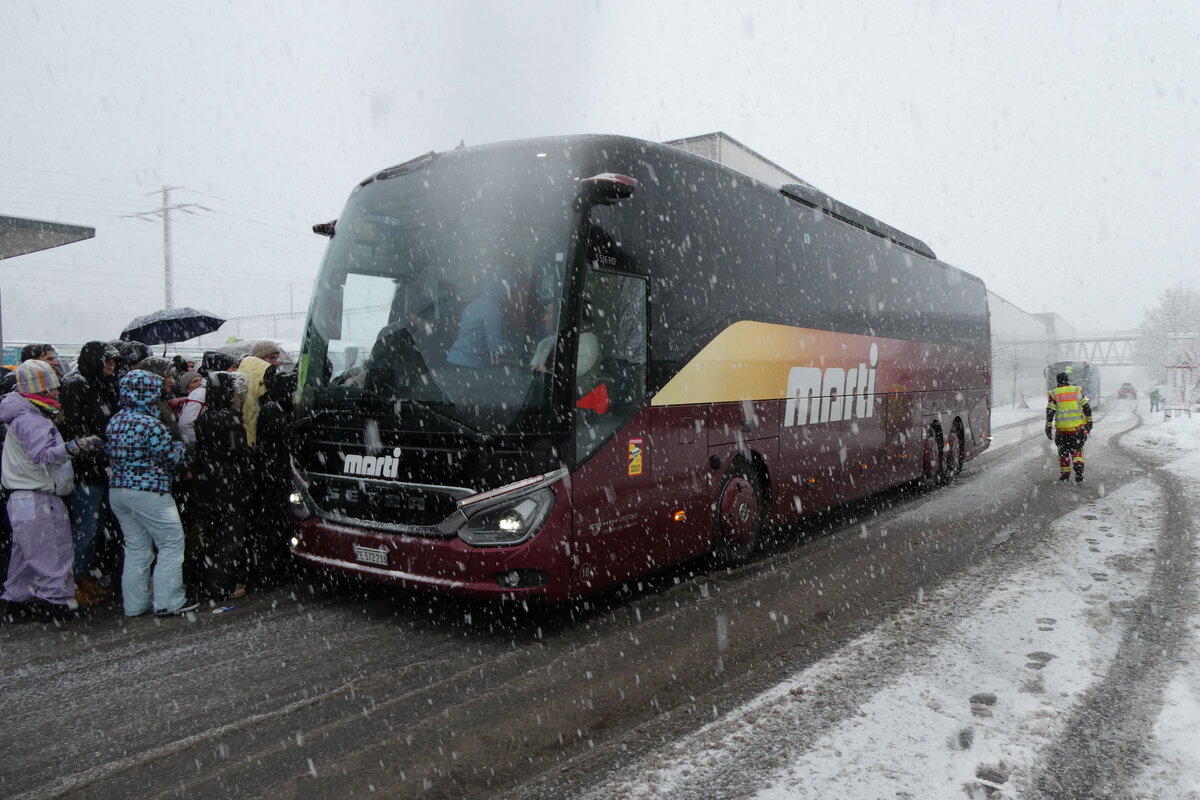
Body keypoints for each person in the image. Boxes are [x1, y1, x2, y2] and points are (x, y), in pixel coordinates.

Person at [1, 360, 102, 621]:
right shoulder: (33, 420)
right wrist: (75, 447)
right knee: (52, 551)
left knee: (25, 554)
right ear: (42, 390)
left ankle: (17, 600)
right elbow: (43, 455)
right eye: (54, 388)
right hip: (39, 497)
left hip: (23, 497)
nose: (58, 393)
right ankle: (56, 604)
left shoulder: (22, 418)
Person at [105, 369, 195, 617]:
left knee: (136, 548)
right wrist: (179, 446)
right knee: (171, 543)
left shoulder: (116, 420)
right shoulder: (150, 424)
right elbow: (169, 459)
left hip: (119, 490)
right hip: (150, 491)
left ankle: (134, 605)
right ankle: (168, 601)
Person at [59, 341, 121, 605]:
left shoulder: (101, 384)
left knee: (95, 529)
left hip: (100, 468)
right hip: (87, 470)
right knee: (85, 528)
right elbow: (77, 428)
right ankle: (73, 581)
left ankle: (84, 578)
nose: (112, 365)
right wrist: (96, 446)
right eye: (107, 360)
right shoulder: (78, 385)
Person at [447, 266, 513, 367]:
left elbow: (464, 337)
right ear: (498, 286)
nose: (508, 291)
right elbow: (495, 346)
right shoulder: (492, 309)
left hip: (453, 359)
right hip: (471, 364)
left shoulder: (470, 307)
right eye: (506, 286)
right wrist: (514, 347)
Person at [1046, 371, 1094, 483]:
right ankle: (1078, 465)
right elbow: (1086, 408)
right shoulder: (1077, 390)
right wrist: (1089, 423)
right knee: (1077, 449)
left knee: (1063, 452)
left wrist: (1048, 427)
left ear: (1057, 381)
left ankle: (1065, 475)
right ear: (1067, 379)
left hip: (1062, 431)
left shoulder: (1054, 393)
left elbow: (1050, 412)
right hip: (1077, 429)